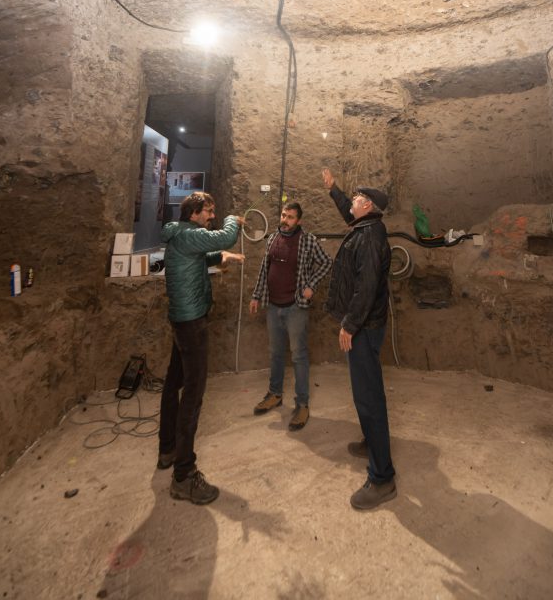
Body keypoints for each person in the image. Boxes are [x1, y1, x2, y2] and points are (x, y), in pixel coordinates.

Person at [157, 191, 245, 505]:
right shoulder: (189, 234)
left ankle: (167, 450)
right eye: (209, 211)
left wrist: (223, 257)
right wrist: (233, 220)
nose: (212, 216)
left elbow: (200, 256)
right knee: (192, 397)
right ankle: (183, 475)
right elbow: (227, 236)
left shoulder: (181, 236)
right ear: (194, 212)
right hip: (192, 324)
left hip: (182, 321)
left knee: (173, 385)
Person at [322, 168, 397, 510]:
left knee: (368, 397)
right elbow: (347, 213)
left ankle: (382, 478)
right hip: (366, 325)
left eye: (355, 198)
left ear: (367, 205)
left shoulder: (368, 238)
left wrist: (350, 325)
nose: (351, 201)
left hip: (364, 328)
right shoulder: (367, 227)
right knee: (365, 393)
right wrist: (334, 190)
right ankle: (371, 441)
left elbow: (365, 288)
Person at [250, 202, 332, 430]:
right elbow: (264, 269)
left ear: (299, 221)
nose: (285, 220)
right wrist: (256, 296)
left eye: (290, 217)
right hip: (273, 305)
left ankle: (302, 404)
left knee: (298, 356)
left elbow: (327, 262)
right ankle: (275, 394)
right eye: (284, 215)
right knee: (276, 353)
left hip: (296, 306)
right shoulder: (272, 238)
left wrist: (311, 285)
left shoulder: (307, 240)